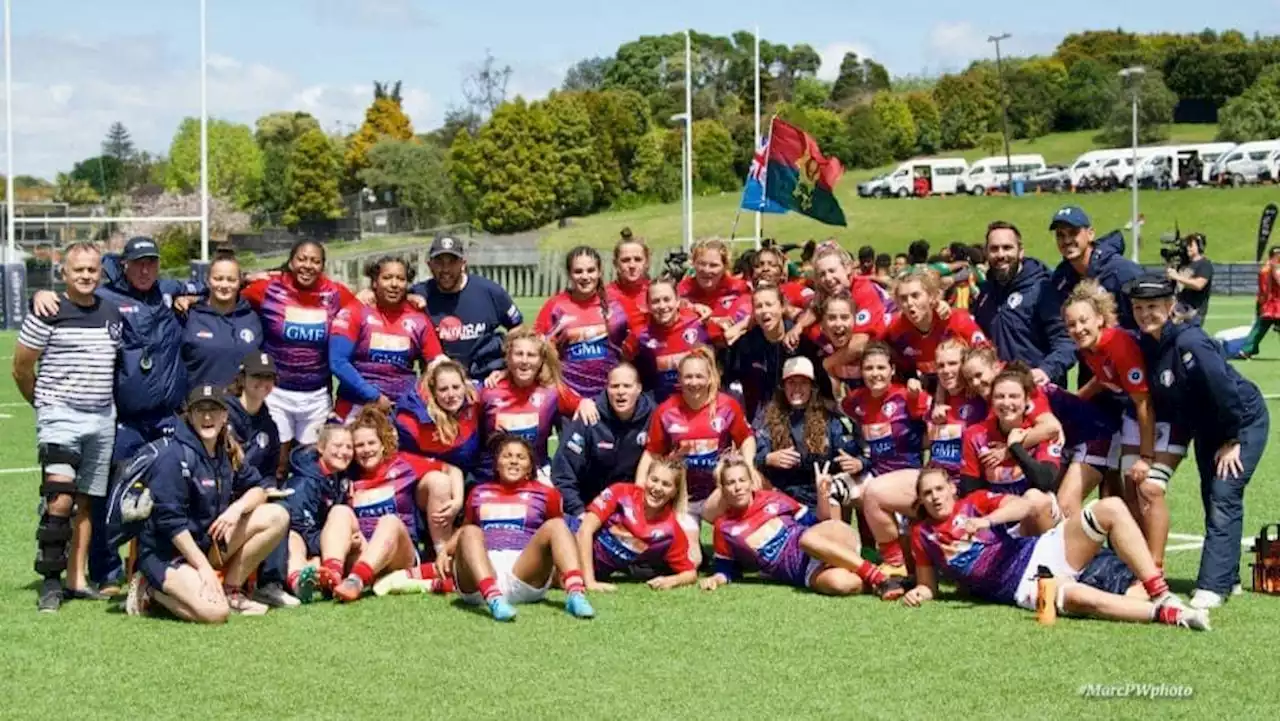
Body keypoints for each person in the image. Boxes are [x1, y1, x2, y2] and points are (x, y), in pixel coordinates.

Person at [32, 236, 204, 592]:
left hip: (167, 417)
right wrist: (41, 294)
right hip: (124, 418)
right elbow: (74, 300)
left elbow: (210, 286)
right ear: (123, 265)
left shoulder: (168, 292)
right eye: (138, 262)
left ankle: (161, 564)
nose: (145, 269)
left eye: (151, 262)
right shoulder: (107, 299)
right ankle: (105, 571)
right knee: (107, 494)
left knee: (173, 489)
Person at [903, 468, 1210, 631]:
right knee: (1076, 598)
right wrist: (920, 592)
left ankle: (1161, 591)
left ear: (952, 488)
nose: (934, 497)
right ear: (920, 500)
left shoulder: (976, 502)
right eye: (927, 493)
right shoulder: (921, 534)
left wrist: (986, 520)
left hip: (1040, 550)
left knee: (1111, 507)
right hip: (1023, 586)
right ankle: (1167, 613)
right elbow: (928, 585)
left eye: (939, 489)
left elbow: (1024, 505)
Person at [1126, 275, 1270, 609]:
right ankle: (1229, 577)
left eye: (1153, 307)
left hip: (1241, 421)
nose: (1146, 314)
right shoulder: (1148, 344)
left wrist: (1233, 438)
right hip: (1206, 427)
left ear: (1170, 306)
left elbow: (1224, 389)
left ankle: (1213, 586)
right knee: (1212, 493)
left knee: (1224, 491)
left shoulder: (1191, 342)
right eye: (1139, 308)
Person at [13, 242, 122, 611]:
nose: (87, 276)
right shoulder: (48, 309)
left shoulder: (111, 312)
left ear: (101, 273)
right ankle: (50, 582)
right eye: (79, 270)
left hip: (102, 418)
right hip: (60, 416)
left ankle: (76, 580)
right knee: (59, 498)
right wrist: (42, 404)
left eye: (92, 270)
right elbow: (22, 367)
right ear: (65, 274)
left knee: (86, 503)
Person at [126, 385, 291, 622]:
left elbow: (258, 489)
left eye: (213, 410)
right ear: (189, 416)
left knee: (277, 515)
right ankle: (150, 590)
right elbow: (172, 524)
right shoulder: (173, 456)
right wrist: (204, 568)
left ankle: (231, 590)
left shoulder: (226, 450)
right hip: (168, 553)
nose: (207, 417)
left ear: (225, 416)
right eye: (199, 410)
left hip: (206, 542)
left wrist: (236, 510)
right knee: (215, 613)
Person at [1060, 279, 1183, 568]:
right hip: (1134, 416)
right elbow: (1103, 378)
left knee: (1147, 487)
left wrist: (1146, 456)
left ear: (1100, 319)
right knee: (1129, 489)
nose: (1078, 329)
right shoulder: (1091, 348)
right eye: (1071, 324)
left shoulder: (1119, 346)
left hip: (1162, 417)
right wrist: (1075, 401)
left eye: (1083, 321)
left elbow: (1145, 404)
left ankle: (1155, 566)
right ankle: (1133, 560)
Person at [700, 457, 903, 599]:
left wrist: (823, 496)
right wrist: (716, 580)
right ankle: (892, 581)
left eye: (742, 480)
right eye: (730, 482)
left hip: (823, 539)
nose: (737, 487)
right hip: (802, 572)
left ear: (751, 482)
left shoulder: (773, 498)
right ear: (722, 489)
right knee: (841, 584)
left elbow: (820, 522)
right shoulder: (724, 528)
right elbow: (726, 569)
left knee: (806, 539)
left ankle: (878, 577)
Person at [443, 434, 596, 621]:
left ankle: (576, 595)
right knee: (471, 531)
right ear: (496, 464)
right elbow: (464, 533)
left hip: (523, 570)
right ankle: (495, 600)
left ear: (530, 467)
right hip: (482, 572)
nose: (514, 461)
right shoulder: (478, 492)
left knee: (556, 525)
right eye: (507, 456)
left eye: (521, 457)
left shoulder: (547, 494)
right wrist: (444, 552)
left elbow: (560, 537)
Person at [320, 408, 461, 602]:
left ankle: (355, 581)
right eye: (359, 445)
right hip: (363, 548)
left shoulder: (402, 464)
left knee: (390, 521)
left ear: (382, 445)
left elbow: (451, 470)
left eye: (371, 443)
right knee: (339, 511)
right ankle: (332, 575)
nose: (366, 449)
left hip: (399, 553)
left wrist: (458, 501)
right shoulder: (348, 474)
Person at [241, 240, 357, 476]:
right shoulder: (268, 288)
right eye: (302, 259)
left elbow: (364, 310)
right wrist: (244, 277)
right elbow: (227, 289)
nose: (308, 266)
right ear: (291, 262)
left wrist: (411, 300)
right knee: (278, 463)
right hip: (276, 393)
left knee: (311, 464)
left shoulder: (336, 293)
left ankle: (307, 508)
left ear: (323, 265)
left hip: (315, 395)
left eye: (315, 261)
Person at [638, 347, 756, 529]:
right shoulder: (665, 411)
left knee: (729, 538)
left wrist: (748, 466)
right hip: (684, 497)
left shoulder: (727, 406)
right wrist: (638, 491)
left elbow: (746, 439)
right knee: (692, 554)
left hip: (720, 493)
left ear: (709, 378)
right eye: (688, 377)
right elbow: (651, 454)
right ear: (679, 379)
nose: (694, 382)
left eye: (699, 376)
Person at [840, 342, 931, 577]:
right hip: (876, 472)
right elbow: (839, 407)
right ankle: (842, 555)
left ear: (892, 369)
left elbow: (934, 428)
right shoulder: (856, 401)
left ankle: (895, 560)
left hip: (909, 477)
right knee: (833, 488)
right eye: (869, 368)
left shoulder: (907, 396)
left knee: (906, 538)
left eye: (881, 368)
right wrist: (861, 461)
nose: (875, 374)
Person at [330, 256, 442, 422]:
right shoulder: (355, 311)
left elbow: (437, 362)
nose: (394, 284)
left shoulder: (419, 318)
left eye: (401, 279)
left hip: (401, 408)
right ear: (375, 282)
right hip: (355, 406)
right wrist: (373, 396)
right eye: (387, 278)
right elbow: (338, 362)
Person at [957, 365, 1064, 534]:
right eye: (1000, 397)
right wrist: (1004, 506)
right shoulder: (975, 435)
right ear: (992, 401)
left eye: (1014, 396)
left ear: (1027, 400)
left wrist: (1015, 447)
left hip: (1037, 518)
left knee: (1034, 498)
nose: (1007, 403)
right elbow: (971, 490)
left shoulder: (1043, 432)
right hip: (997, 515)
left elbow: (1045, 480)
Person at [479, 328, 597, 481]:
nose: (524, 361)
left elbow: (581, 403)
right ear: (508, 358)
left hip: (537, 472)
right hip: (492, 474)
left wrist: (585, 402)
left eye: (531, 355)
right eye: (518, 354)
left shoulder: (551, 392)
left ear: (541, 360)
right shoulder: (488, 391)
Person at [408, 235, 523, 386]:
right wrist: (369, 294)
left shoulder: (489, 291)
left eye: (452, 262)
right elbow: (386, 302)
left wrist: (507, 369)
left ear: (463, 263)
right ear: (429, 264)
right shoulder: (419, 294)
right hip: (439, 384)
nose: (446, 269)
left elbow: (519, 329)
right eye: (439, 262)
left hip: (486, 380)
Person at [973, 221, 1077, 387]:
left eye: (1007, 248)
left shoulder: (1043, 289)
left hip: (1039, 393)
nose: (1001, 255)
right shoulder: (984, 294)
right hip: (1000, 396)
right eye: (994, 249)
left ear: (1021, 251)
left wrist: (1046, 370)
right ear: (986, 253)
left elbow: (1067, 342)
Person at [573, 457, 697, 592]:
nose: (657, 488)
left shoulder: (670, 532)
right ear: (646, 479)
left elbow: (690, 573)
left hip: (594, 570)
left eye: (666, 484)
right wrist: (590, 581)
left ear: (674, 492)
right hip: (570, 542)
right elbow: (584, 531)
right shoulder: (620, 492)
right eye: (654, 480)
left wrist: (671, 581)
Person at [755, 357, 864, 510]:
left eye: (803, 383)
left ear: (812, 387)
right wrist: (768, 458)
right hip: (781, 493)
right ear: (783, 387)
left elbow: (851, 453)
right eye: (791, 383)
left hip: (820, 491)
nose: (797, 388)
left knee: (843, 494)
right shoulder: (767, 417)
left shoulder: (828, 417)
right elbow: (751, 456)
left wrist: (857, 463)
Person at [551, 364, 655, 517]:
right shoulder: (590, 417)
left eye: (627, 386)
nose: (620, 392)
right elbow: (563, 471)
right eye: (614, 386)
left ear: (639, 388)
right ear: (607, 388)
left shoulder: (654, 417)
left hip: (636, 506)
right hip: (590, 506)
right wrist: (578, 512)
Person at [535, 246, 630, 398]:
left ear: (600, 272)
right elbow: (536, 347)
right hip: (570, 396)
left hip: (611, 397)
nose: (585, 277)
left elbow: (640, 338)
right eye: (578, 271)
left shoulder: (617, 304)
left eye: (591, 270)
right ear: (569, 274)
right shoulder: (555, 306)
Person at [723, 284, 826, 420]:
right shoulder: (746, 344)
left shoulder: (802, 340)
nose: (765, 310)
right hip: (761, 417)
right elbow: (729, 382)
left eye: (769, 304)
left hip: (802, 412)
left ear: (782, 307)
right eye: (759, 306)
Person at [280, 424, 355, 603]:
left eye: (349, 447)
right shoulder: (303, 483)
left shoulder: (338, 477)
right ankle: (299, 582)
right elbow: (299, 524)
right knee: (293, 539)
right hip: (296, 536)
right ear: (321, 448)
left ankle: (324, 575)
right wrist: (328, 540)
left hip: (317, 540)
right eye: (337, 446)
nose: (343, 452)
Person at [884, 268, 989, 392]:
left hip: (968, 389)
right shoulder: (896, 330)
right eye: (903, 298)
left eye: (915, 295)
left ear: (931, 296)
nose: (910, 303)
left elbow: (986, 356)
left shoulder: (957, 321)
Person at [1048, 205, 1143, 332]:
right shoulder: (1060, 279)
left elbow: (1147, 325)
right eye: (1060, 235)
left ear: (1090, 234)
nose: (1067, 240)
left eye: (1073, 233)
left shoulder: (1122, 272)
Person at [180, 253, 263, 388]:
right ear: (208, 280)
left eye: (231, 280)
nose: (224, 285)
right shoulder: (188, 315)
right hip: (200, 405)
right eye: (218, 279)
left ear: (240, 282)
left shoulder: (252, 317)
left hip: (240, 406)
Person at [627, 277, 711, 403]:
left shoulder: (699, 323)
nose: (662, 306)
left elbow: (727, 337)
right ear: (648, 306)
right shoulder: (640, 336)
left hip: (700, 403)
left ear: (678, 301)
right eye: (655, 301)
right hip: (660, 406)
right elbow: (625, 363)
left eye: (667, 299)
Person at [393, 359, 483, 475]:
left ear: (464, 386)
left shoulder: (475, 398)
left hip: (471, 472)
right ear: (433, 391)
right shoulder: (411, 418)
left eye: (456, 387)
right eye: (443, 389)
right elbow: (403, 458)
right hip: (430, 478)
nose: (451, 395)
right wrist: (443, 468)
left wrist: (501, 374)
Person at [926, 340, 989, 485]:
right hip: (937, 480)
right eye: (941, 365)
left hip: (969, 482)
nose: (946, 370)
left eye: (953, 364)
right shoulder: (937, 403)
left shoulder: (980, 397)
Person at [677, 238, 751, 329]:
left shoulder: (740, 289)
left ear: (725, 266)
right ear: (693, 264)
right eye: (701, 264)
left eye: (713, 265)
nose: (706, 270)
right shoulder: (683, 289)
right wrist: (692, 308)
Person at [1234, 246, 1280, 359]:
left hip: (1274, 304)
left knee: (1260, 328)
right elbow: (1265, 289)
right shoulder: (1266, 270)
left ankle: (1247, 350)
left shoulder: (1269, 269)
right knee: (1260, 327)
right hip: (1271, 305)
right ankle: (1246, 350)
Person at [606, 229, 651, 327]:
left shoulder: (657, 292)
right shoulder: (605, 296)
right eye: (625, 260)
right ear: (615, 264)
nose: (632, 265)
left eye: (638, 259)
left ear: (646, 262)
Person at [1167, 233, 1213, 321]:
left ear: (1199, 247)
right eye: (1187, 245)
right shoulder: (1184, 264)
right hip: (1179, 309)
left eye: (1191, 245)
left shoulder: (1204, 264)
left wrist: (1177, 277)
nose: (1188, 248)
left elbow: (1199, 285)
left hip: (1194, 312)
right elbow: (1173, 284)